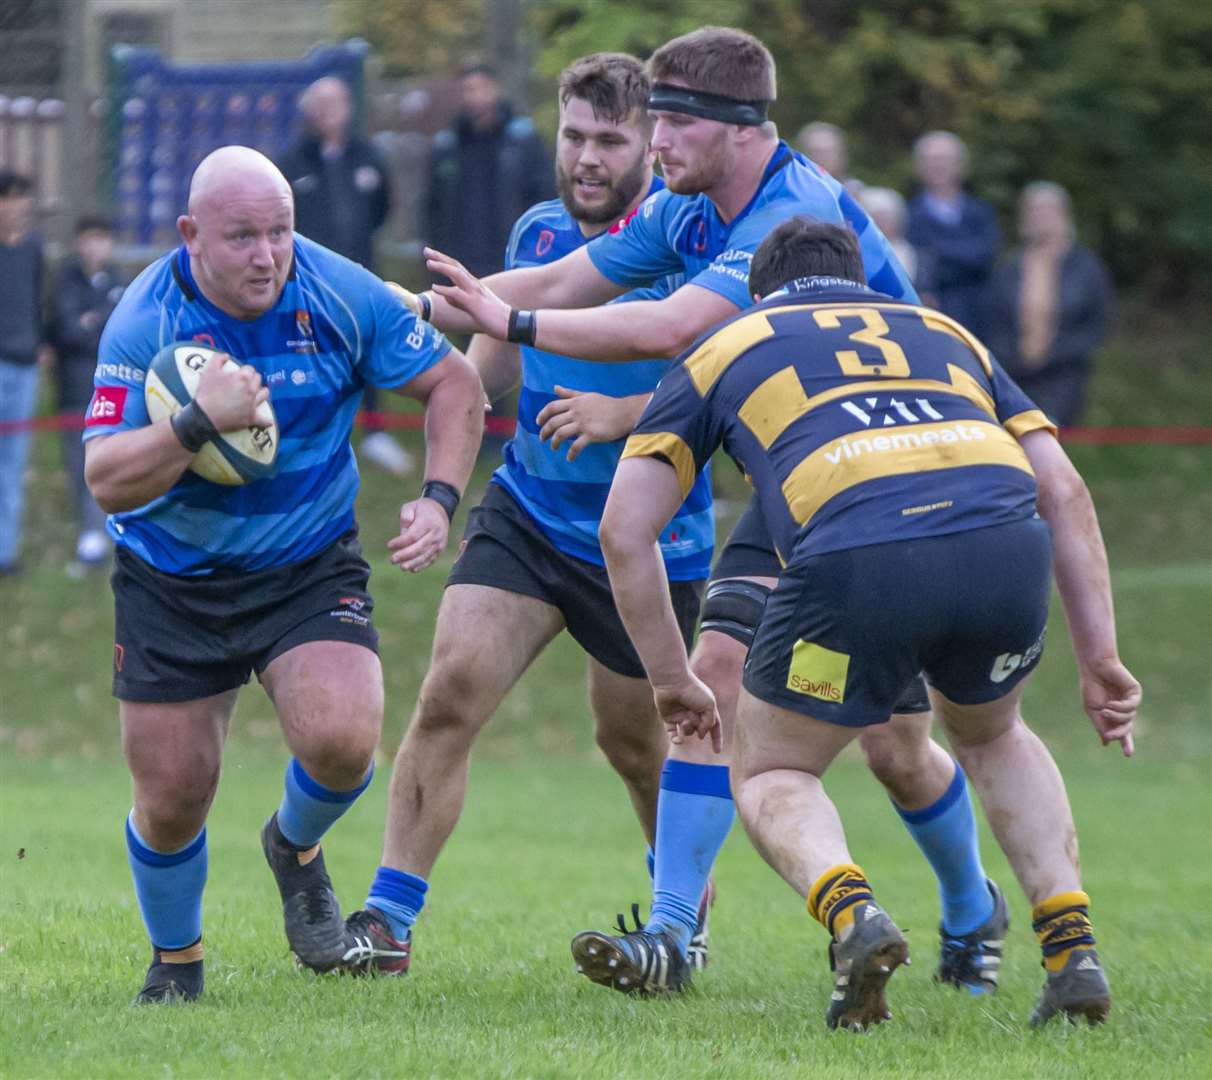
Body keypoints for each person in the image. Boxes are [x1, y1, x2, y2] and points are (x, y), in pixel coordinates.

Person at [394, 26, 1008, 999]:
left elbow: (673, 330)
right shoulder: (688, 209)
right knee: (711, 687)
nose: (654, 140)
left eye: (671, 122)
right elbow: (568, 281)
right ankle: (676, 937)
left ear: (734, 130)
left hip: (900, 476)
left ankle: (976, 912)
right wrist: (401, 312)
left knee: (898, 748)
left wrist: (508, 322)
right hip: (798, 475)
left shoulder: (786, 211)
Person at [600, 217, 1139, 1030]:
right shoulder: (944, 330)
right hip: (1002, 543)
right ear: (863, 279)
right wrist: (1101, 657)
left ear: (758, 292)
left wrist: (672, 680)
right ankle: (1071, 950)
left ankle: (853, 916)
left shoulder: (730, 341)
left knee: (774, 770)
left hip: (861, 555)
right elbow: (1062, 490)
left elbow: (622, 530)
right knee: (993, 735)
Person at [338, 52, 716, 977]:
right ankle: (387, 923)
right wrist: (440, 489)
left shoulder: (694, 243)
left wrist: (622, 416)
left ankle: (679, 928)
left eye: (610, 141)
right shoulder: (540, 233)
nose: (587, 158)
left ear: (650, 146)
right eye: (574, 136)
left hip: (651, 537)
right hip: (530, 514)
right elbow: (483, 373)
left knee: (633, 745)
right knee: (451, 690)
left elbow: (717, 383)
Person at [81, 146, 483, 1004]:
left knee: (342, 743)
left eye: (279, 233)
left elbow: (455, 383)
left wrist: (439, 499)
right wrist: (197, 423)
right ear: (191, 235)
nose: (266, 255)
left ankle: (293, 846)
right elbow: (107, 476)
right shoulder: (145, 316)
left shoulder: (338, 293)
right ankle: (177, 964)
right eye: (241, 238)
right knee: (173, 795)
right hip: (171, 577)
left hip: (305, 565)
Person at [278, 76, 414, 478]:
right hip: (308, 279)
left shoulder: (367, 157)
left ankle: (375, 430)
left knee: (365, 347)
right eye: (321, 105)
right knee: (307, 349)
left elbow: (382, 207)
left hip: (360, 272)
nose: (329, 113)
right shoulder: (291, 163)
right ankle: (311, 432)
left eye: (336, 104)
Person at [985, 182, 1113, 426]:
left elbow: (1098, 324)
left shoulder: (1086, 267)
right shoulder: (1009, 267)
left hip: (1063, 378)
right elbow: (993, 319)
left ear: (1064, 215)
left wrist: (1055, 356)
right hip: (1013, 377)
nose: (1040, 218)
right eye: (1033, 211)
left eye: (1047, 211)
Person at [424, 59, 553, 280]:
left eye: (480, 88)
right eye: (467, 90)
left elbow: (544, 197)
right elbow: (432, 207)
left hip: (512, 263)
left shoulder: (522, 142)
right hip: (461, 264)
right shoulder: (448, 147)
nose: (474, 97)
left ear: (495, 89)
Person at [52, 215, 125, 572]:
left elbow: (119, 330)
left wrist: (90, 321)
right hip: (73, 386)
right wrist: (94, 323)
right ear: (78, 242)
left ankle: (104, 534)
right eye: (89, 238)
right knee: (78, 464)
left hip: (109, 389)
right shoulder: (65, 281)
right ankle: (89, 534)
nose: (96, 246)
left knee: (111, 459)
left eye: (102, 238)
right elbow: (66, 330)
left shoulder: (118, 281)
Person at [0, 170, 49, 577]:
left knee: (12, 464)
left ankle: (6, 551)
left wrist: (41, 343)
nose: (18, 206)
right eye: (10, 198)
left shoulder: (33, 250)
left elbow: (36, 301)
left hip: (24, 367)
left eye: (22, 198)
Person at [907, 131, 1000, 337]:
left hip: (977, 322)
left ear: (962, 166)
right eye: (932, 160)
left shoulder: (981, 213)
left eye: (946, 160)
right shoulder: (907, 215)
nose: (939, 166)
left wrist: (936, 252)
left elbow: (985, 257)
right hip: (928, 322)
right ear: (918, 167)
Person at [859, 185, 917, 285]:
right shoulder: (858, 252)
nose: (883, 224)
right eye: (878, 218)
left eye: (887, 218)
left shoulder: (907, 250)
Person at [795, 120, 863, 196]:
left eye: (829, 152)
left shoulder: (856, 193)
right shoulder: (789, 192)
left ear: (842, 155)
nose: (823, 158)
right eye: (816, 152)